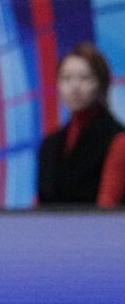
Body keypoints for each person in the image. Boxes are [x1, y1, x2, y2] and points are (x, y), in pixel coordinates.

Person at [36, 43, 125, 207]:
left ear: (101, 84)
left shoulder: (118, 140)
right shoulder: (50, 144)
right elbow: (39, 204)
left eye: (85, 78)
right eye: (66, 78)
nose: (74, 87)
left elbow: (107, 208)